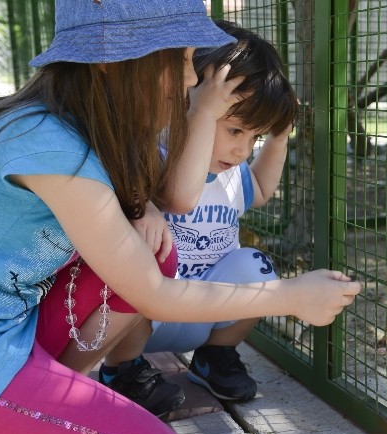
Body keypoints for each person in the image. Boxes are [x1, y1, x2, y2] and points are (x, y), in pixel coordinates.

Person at [0, 2, 361, 434]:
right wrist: (290, 296)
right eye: (181, 59)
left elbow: (169, 203)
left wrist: (145, 207)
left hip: (11, 326)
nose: (188, 80)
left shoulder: (83, 130)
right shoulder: (50, 146)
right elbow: (154, 296)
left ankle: (51, 398)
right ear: (113, 59)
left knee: (153, 251)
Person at [98, 20, 299, 407]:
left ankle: (215, 356)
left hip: (207, 308)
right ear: (191, 102)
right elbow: (179, 197)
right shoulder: (155, 156)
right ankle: (122, 370)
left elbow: (260, 191)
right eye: (236, 130)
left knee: (258, 270)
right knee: (130, 272)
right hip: (145, 312)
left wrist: (279, 139)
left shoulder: (233, 172)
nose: (243, 151)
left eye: (253, 137)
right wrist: (204, 114)